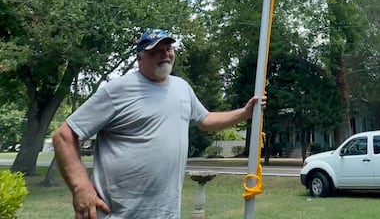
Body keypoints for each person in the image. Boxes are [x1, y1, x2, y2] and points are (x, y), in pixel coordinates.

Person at [52, 28, 265, 219]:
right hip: (116, 213)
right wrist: (81, 187)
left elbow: (206, 120)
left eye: (169, 48)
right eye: (156, 50)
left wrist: (245, 113)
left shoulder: (182, 88)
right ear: (139, 58)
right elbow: (64, 135)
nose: (165, 54)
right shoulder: (117, 90)